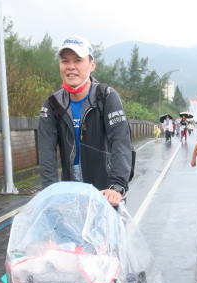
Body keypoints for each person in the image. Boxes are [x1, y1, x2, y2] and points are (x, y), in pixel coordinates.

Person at [37, 35, 132, 207]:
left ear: (92, 65)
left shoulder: (106, 97)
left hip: (106, 194)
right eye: (65, 61)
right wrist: (50, 192)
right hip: (71, 195)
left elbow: (121, 143)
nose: (71, 67)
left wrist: (116, 187)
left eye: (78, 60)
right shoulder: (52, 104)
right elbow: (46, 153)